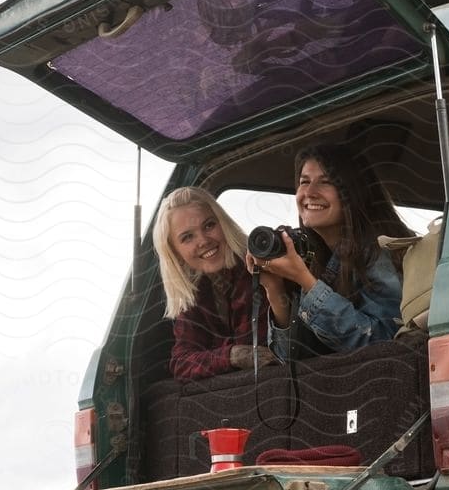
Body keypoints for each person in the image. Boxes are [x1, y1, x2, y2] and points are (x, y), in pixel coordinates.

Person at [251, 140, 413, 359]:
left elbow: (386, 341)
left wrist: (306, 281)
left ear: (353, 192)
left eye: (325, 182)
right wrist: (274, 288)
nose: (310, 192)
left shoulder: (380, 251)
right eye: (304, 182)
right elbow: (293, 360)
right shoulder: (318, 260)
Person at [154, 187, 277, 380]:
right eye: (187, 237)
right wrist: (231, 355)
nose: (203, 240)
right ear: (175, 253)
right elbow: (182, 362)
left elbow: (261, 346)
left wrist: (214, 356)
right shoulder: (194, 295)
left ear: (223, 224)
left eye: (209, 225)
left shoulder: (258, 264)